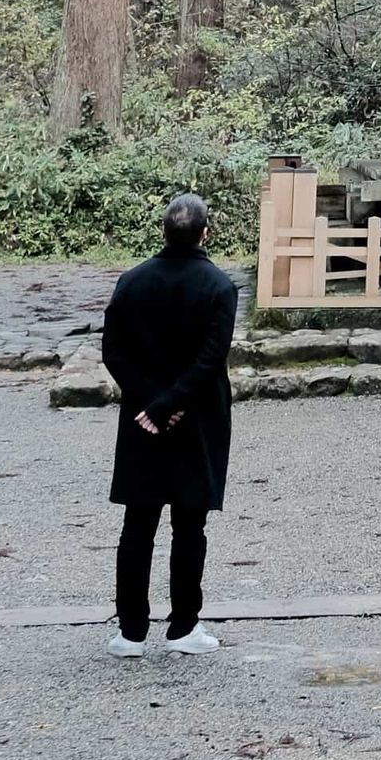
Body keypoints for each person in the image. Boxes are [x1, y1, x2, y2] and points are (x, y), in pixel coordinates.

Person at [101, 191, 239, 657]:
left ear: (164, 230)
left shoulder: (132, 282)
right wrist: (174, 404)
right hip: (196, 417)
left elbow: (113, 352)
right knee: (189, 525)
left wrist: (150, 404)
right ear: (205, 232)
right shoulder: (219, 287)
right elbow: (210, 358)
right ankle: (183, 627)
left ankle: (130, 632)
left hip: (142, 419)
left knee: (137, 524)